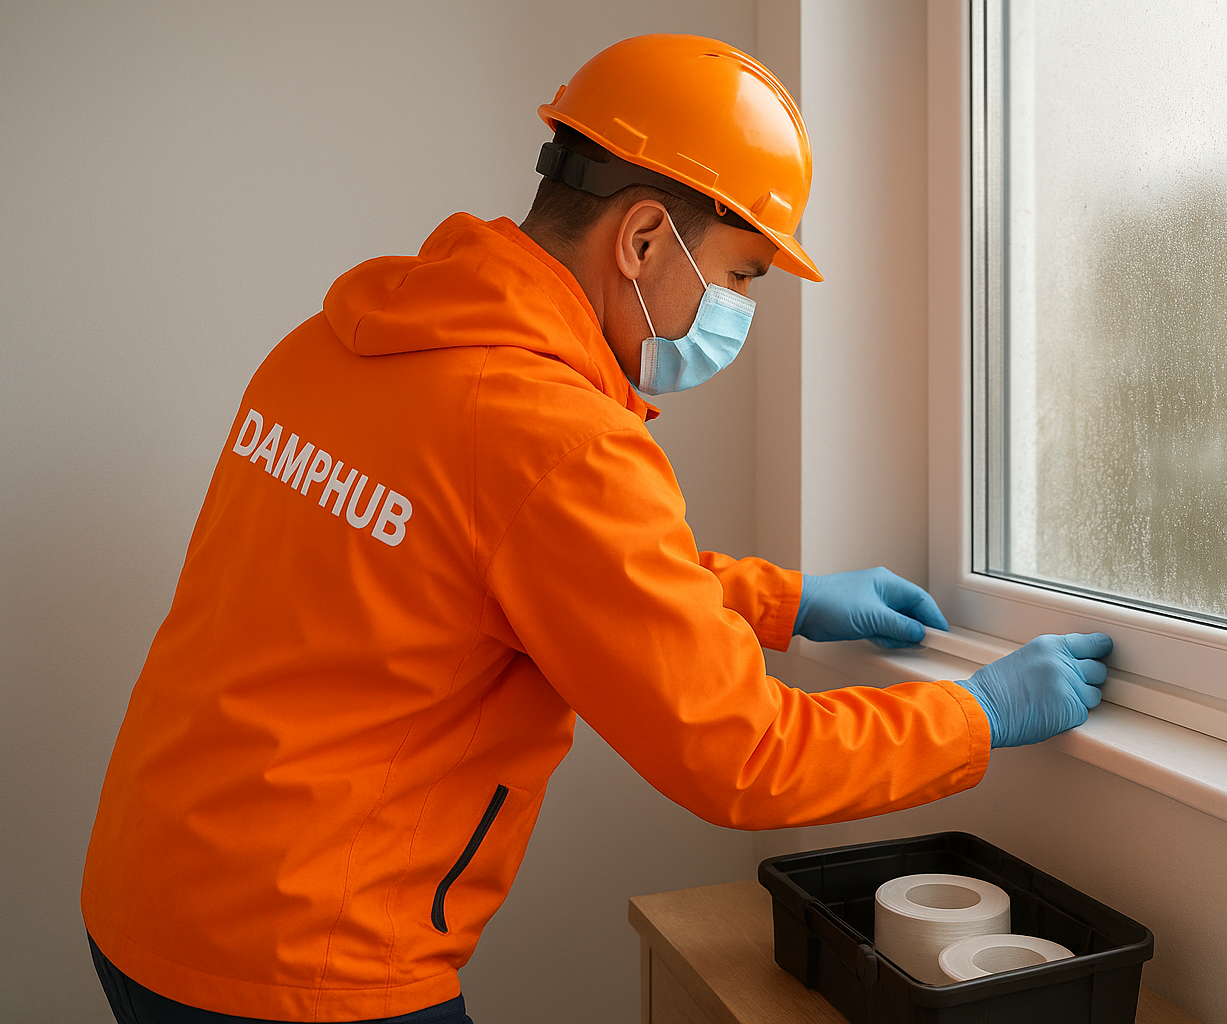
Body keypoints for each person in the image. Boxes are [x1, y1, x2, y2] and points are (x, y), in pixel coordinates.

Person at [81, 34, 1113, 1024]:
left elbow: (506, 560)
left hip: (149, 888)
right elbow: (743, 751)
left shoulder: (336, 344)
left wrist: (779, 600)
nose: (744, 308)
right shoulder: (553, 438)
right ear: (645, 237)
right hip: (302, 962)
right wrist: (974, 714)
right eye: (746, 273)